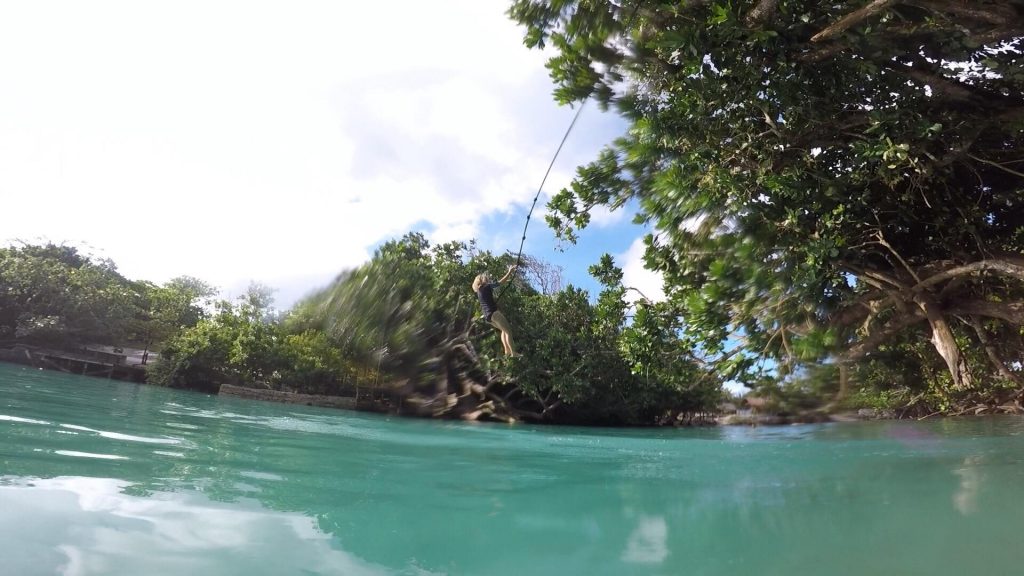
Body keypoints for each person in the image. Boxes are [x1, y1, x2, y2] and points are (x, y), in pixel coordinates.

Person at [472, 265, 517, 356]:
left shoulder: (479, 291)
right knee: (508, 331)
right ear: (482, 280)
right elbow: (500, 282)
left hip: (487, 317)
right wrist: (510, 271)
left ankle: (507, 352)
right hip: (494, 313)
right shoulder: (487, 286)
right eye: (485, 278)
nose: (487, 279)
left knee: (503, 330)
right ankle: (514, 353)